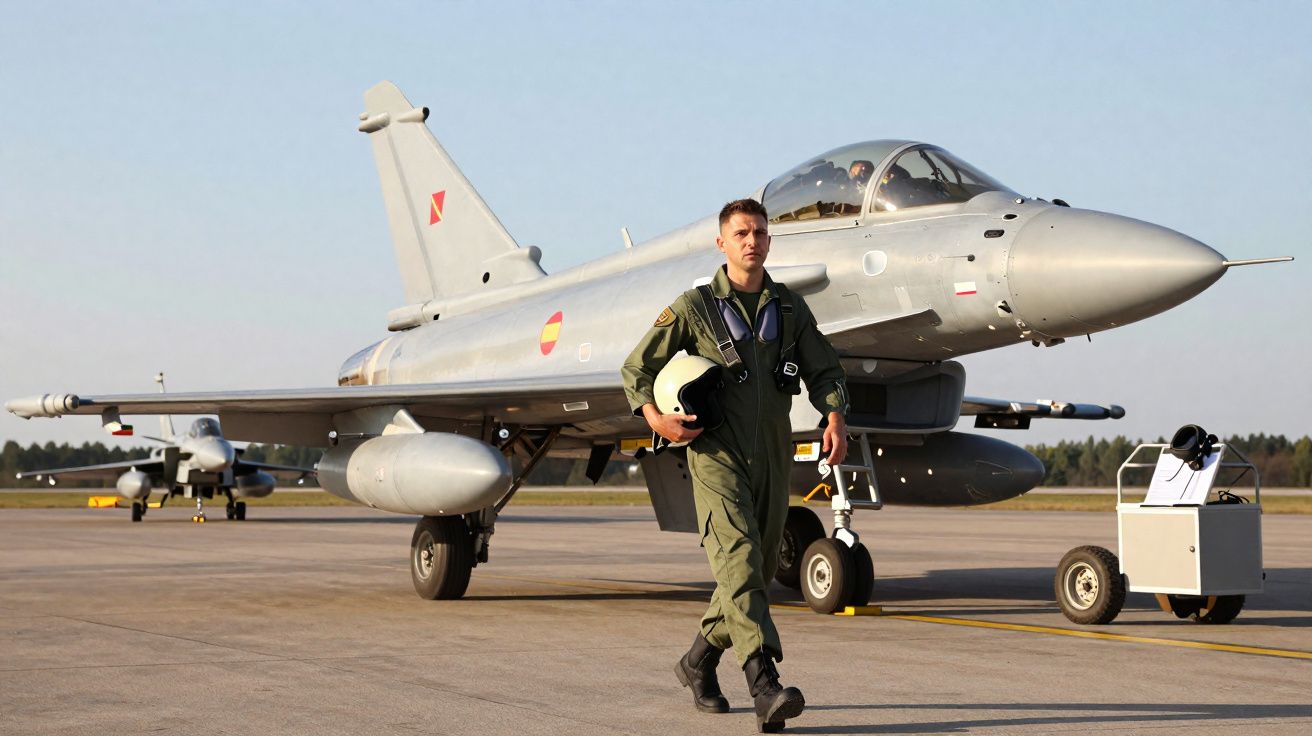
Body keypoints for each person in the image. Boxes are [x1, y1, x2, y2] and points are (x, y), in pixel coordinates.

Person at [621, 199, 849, 733]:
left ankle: (698, 660)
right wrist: (656, 420)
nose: (753, 241)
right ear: (721, 243)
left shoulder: (790, 308)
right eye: (742, 233)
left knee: (758, 572)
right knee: (741, 557)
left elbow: (824, 367)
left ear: (770, 242)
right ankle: (763, 683)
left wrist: (834, 416)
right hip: (715, 455)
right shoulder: (694, 307)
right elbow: (637, 366)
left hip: (772, 452)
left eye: (761, 233)